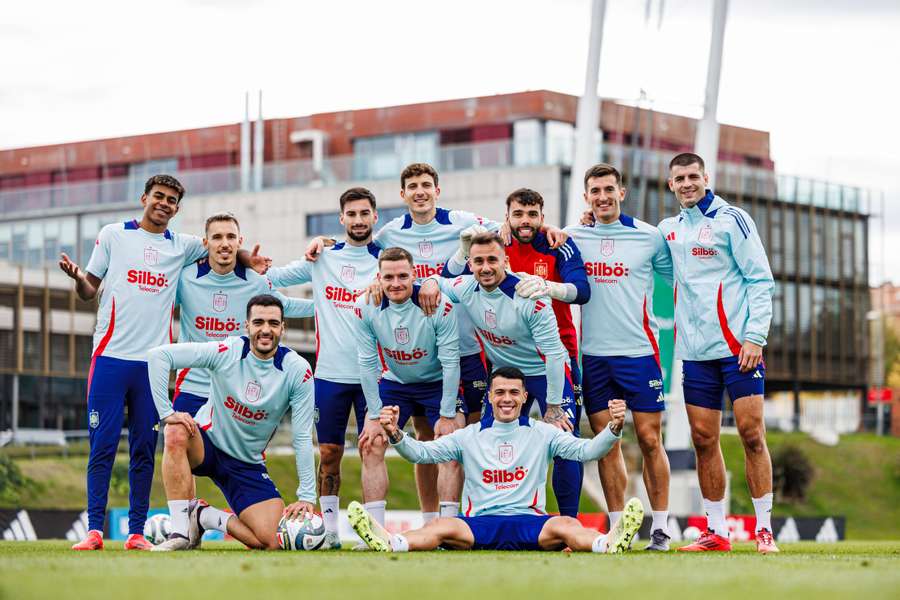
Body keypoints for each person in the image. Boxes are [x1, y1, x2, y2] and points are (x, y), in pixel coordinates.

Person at [58, 174, 267, 551]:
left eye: (172, 200)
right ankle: (93, 531)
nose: (164, 203)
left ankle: (136, 533)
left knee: (143, 450)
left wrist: (249, 258)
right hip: (109, 358)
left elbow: (220, 246)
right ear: (144, 198)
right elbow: (90, 289)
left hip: (152, 367)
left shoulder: (183, 246)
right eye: (159, 196)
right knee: (102, 445)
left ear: (177, 208)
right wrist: (77, 280)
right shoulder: (113, 235)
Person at [347, 366, 643, 553]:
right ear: (489, 397)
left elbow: (587, 451)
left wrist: (613, 428)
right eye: (499, 392)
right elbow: (420, 454)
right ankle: (392, 543)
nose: (507, 398)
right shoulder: (469, 435)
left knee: (567, 524)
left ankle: (606, 544)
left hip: (531, 522)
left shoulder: (542, 432)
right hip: (479, 524)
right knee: (439, 527)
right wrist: (395, 432)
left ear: (525, 396)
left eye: (514, 392)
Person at [658, 152, 778, 554]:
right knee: (703, 439)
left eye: (694, 176)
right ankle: (716, 532)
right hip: (695, 354)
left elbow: (760, 279)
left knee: (751, 434)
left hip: (738, 348)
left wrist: (755, 336)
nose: (688, 183)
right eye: (680, 178)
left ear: (706, 178)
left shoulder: (733, 219)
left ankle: (764, 531)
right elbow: (634, 248)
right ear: (670, 184)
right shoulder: (668, 230)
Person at [423, 232, 583, 518]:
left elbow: (556, 355)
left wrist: (554, 406)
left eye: (492, 260)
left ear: (505, 261)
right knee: (484, 442)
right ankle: (485, 517)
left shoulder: (528, 294)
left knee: (565, 443)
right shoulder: (465, 286)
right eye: (479, 261)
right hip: (504, 378)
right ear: (470, 264)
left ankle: (570, 525)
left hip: (545, 374)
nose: (485, 267)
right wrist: (432, 281)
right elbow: (439, 281)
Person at [147, 294, 316, 551]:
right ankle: (180, 534)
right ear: (246, 325)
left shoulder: (298, 370)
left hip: (246, 464)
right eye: (258, 322)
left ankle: (203, 516)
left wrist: (306, 496)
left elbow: (302, 436)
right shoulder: (227, 350)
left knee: (273, 542)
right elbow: (159, 356)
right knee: (176, 430)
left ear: (283, 327)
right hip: (208, 446)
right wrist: (165, 412)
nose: (265, 330)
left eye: (273, 323)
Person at [566, 163, 674, 551]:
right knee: (606, 442)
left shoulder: (649, 236)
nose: (603, 197)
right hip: (594, 358)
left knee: (649, 439)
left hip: (640, 353)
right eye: (595, 191)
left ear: (622, 192)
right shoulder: (572, 236)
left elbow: (676, 278)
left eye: (609, 189)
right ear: (586, 197)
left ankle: (659, 528)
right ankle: (619, 532)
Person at [265, 187, 381, 547]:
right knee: (329, 454)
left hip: (375, 376)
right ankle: (328, 532)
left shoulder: (388, 260)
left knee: (372, 449)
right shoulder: (323, 258)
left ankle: (374, 532)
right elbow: (274, 278)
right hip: (329, 376)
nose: (359, 220)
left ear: (375, 217)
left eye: (365, 213)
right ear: (342, 219)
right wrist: (245, 261)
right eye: (352, 214)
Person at [355, 247, 462, 519]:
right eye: (388, 278)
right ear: (378, 277)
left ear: (414, 275)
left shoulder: (438, 305)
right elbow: (368, 364)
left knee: (450, 443)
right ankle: (374, 530)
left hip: (436, 382)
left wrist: (448, 414)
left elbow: (451, 363)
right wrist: (374, 414)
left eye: (403, 276)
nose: (395, 284)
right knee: (371, 441)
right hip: (396, 383)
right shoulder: (366, 305)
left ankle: (446, 529)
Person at [173, 212, 314, 417]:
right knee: (176, 439)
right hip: (192, 386)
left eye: (230, 237)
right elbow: (159, 305)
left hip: (236, 389)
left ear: (240, 241)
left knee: (235, 450)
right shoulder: (185, 278)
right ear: (205, 243)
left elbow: (287, 306)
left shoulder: (255, 280)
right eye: (217, 237)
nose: (225, 243)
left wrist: (331, 305)